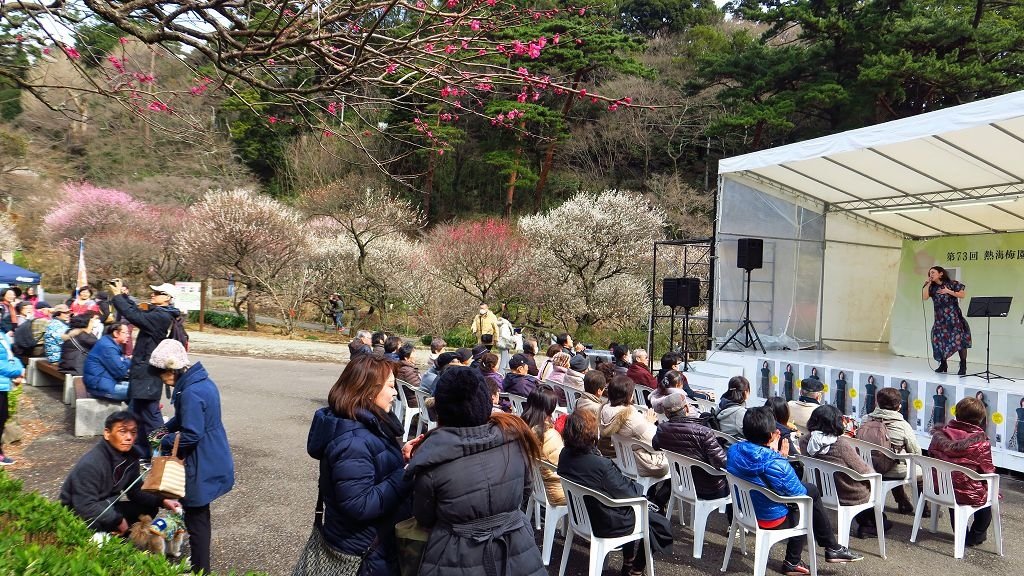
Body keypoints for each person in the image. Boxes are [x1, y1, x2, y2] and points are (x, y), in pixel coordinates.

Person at [404, 366, 546, 576]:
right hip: (516, 549)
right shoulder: (516, 441)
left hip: (454, 555)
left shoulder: (430, 459)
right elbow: (524, 492)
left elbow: (424, 517)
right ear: (486, 403)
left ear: (441, 410)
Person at [304, 353, 417, 576]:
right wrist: (405, 474)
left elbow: (371, 470)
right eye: (390, 386)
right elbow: (359, 503)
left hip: (368, 544)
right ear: (368, 391)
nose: (395, 392)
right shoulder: (353, 440)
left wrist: (401, 458)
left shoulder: (364, 424)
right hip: (363, 552)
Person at [727, 407, 862, 575]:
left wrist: (773, 454)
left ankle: (829, 549)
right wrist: (779, 458)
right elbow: (797, 493)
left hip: (744, 512)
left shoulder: (733, 451)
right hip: (769, 518)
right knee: (808, 500)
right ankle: (800, 558)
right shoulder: (776, 463)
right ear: (771, 435)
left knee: (810, 491)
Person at [150, 339, 234, 574]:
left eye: (162, 373)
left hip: (201, 460)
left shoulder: (189, 392)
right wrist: (164, 429)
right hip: (214, 452)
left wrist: (163, 440)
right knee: (200, 515)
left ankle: (201, 570)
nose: (161, 378)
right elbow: (186, 417)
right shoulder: (203, 382)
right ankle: (200, 565)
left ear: (172, 369)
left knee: (197, 519)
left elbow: (191, 435)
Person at [558, 410, 674, 575]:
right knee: (657, 519)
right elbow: (630, 494)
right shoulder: (600, 464)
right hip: (604, 522)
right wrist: (639, 490)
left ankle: (629, 560)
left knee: (635, 506)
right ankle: (637, 568)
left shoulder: (565, 455)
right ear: (591, 434)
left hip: (581, 516)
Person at [59, 411, 180, 532]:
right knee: (95, 522)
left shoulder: (130, 457)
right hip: (78, 513)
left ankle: (120, 535)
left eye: (133, 432)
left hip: (107, 505)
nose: (129, 437)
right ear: (107, 433)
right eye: (122, 431)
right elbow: (85, 506)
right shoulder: (91, 463)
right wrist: (117, 519)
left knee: (149, 508)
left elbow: (135, 491)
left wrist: (162, 501)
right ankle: (106, 538)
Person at [110, 280, 182, 457]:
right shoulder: (159, 312)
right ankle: (141, 453)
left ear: (168, 298)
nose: (153, 294)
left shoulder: (161, 317)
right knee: (137, 418)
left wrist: (118, 296)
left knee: (153, 419)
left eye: (158, 292)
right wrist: (123, 295)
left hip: (148, 376)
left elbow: (134, 316)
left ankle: (162, 454)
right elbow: (135, 310)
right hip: (144, 375)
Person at [799, 404, 879, 538]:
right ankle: (873, 523)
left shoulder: (804, 441)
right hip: (846, 493)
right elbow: (864, 470)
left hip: (820, 489)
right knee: (873, 483)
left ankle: (869, 522)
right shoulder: (840, 444)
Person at [928, 396, 995, 547]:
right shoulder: (981, 443)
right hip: (963, 491)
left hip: (939, 488)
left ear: (957, 414)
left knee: (955, 488)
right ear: (980, 419)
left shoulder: (939, 435)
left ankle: (961, 534)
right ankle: (977, 535)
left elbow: (931, 455)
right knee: (989, 494)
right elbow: (988, 471)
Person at [858, 387, 923, 515]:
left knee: (891, 460)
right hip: (893, 470)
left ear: (877, 403)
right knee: (920, 471)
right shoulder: (903, 425)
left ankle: (903, 501)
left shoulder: (866, 419)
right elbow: (916, 453)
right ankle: (925, 509)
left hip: (868, 466)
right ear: (899, 406)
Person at [653, 393, 728, 500]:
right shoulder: (704, 432)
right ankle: (733, 516)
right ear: (687, 408)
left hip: (681, 484)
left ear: (666, 413)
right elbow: (722, 463)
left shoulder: (661, 429)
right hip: (710, 489)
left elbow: (655, 445)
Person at [599, 375, 667, 478]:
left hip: (620, 457)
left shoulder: (605, 409)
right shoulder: (630, 416)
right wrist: (649, 422)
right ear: (629, 395)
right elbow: (656, 443)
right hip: (639, 462)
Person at [521, 385, 565, 505]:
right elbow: (563, 465)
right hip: (555, 490)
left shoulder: (522, 426)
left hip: (533, 485)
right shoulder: (549, 435)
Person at [924, 265, 971, 375]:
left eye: (933, 272)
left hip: (954, 318)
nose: (931, 274)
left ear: (941, 273)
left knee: (960, 341)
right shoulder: (932, 287)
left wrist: (948, 291)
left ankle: (963, 364)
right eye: (930, 273)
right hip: (940, 320)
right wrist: (928, 284)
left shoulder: (952, 283)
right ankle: (943, 363)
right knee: (939, 341)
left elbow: (962, 294)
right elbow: (925, 297)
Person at [83, 322, 132, 401]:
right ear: (116, 333)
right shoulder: (108, 347)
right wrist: (129, 360)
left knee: (139, 387)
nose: (128, 335)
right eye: (125, 333)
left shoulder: (107, 342)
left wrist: (124, 361)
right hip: (100, 387)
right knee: (141, 392)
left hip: (104, 382)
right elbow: (120, 372)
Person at [0, 330, 25, 465]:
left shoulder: (2, 335)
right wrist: (16, 371)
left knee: (2, 417)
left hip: (3, 384)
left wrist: (20, 369)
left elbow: (11, 354)